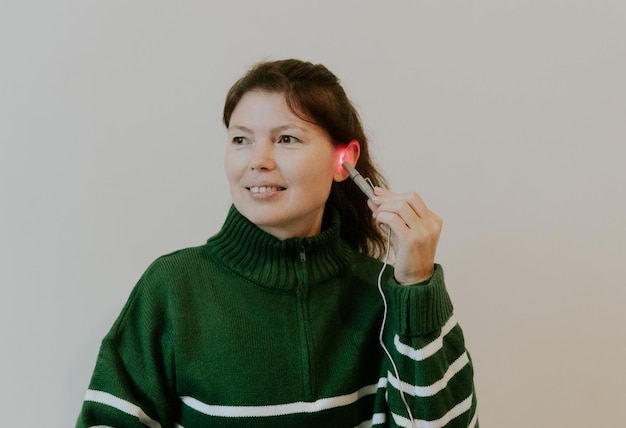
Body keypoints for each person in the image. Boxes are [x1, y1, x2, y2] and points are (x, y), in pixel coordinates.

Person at [76, 59, 478, 427]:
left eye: (286, 139)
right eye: (241, 139)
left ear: (345, 162)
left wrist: (417, 288)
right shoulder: (171, 288)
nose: (258, 160)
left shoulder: (385, 296)